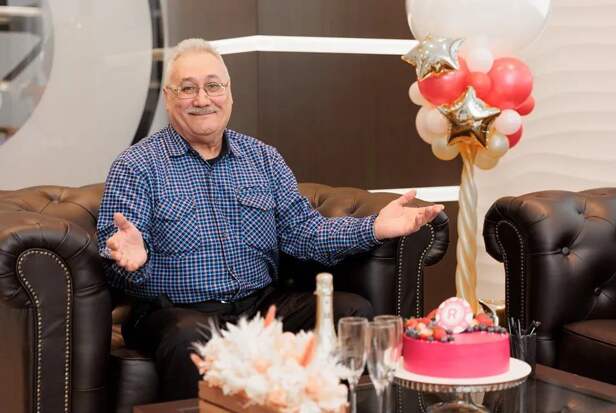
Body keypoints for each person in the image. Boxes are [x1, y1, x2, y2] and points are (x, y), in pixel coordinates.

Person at [96, 38, 444, 400]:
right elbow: (116, 260)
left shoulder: (263, 159)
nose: (202, 99)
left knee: (350, 311)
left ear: (230, 94)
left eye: (213, 86)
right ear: (168, 98)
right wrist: (134, 262)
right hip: (175, 311)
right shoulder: (136, 166)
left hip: (258, 306)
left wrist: (374, 228)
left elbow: (306, 233)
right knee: (189, 335)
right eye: (187, 88)